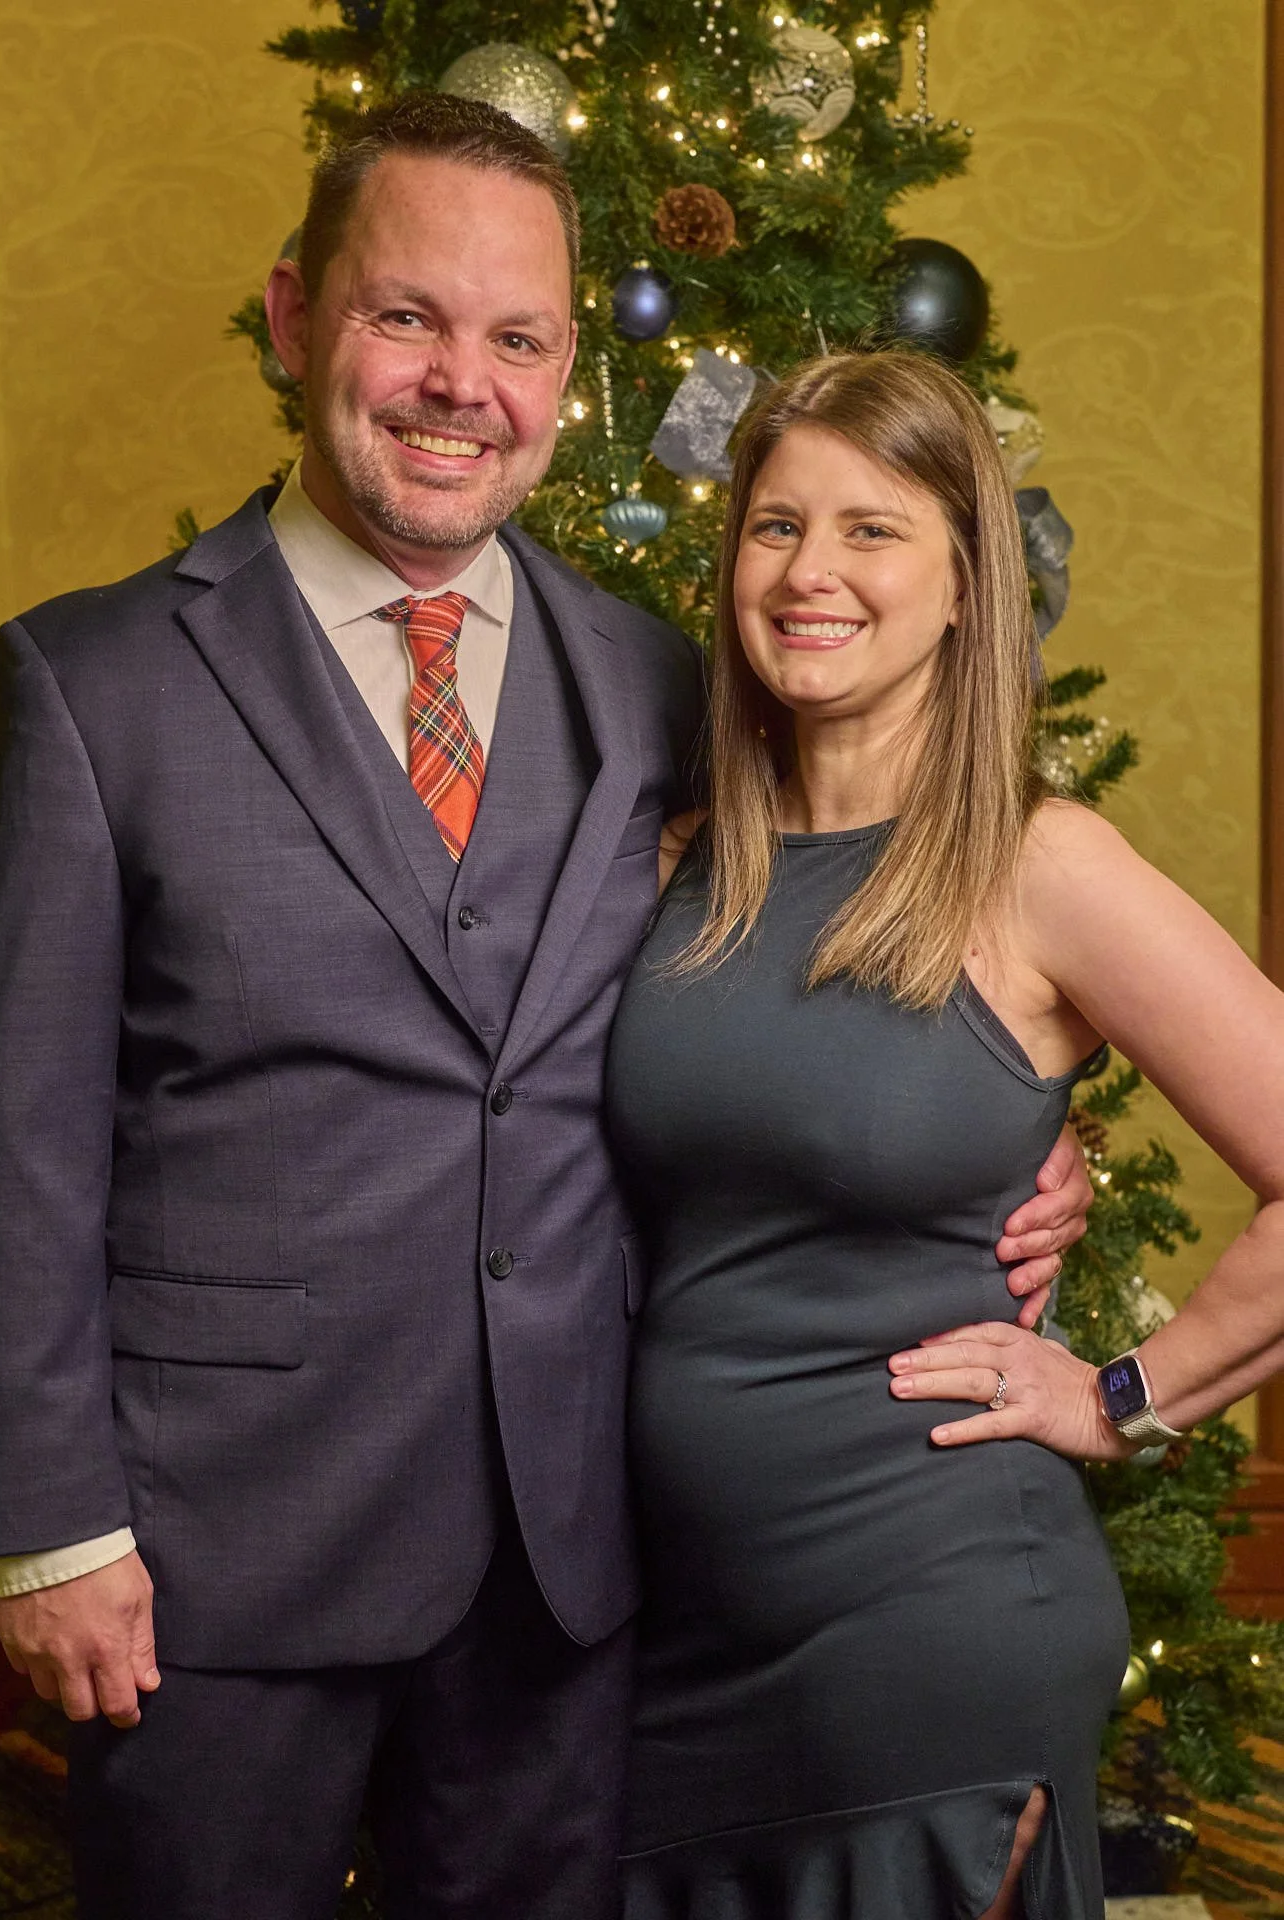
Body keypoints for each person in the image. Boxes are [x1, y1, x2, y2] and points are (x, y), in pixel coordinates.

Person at [0, 96, 1088, 1920]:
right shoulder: (96, 683)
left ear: (563, 373)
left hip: (570, 1553)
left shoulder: (654, 680)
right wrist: (51, 1532)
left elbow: (815, 970)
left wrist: (1021, 1126)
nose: (458, 385)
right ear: (295, 316)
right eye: (405, 317)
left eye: (519, 338)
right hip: (215, 1557)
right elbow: (13, 1143)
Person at [606, 346, 1284, 1920]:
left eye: (872, 530)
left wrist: (1120, 1399)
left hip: (925, 1634)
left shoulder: (1041, 867)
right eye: (775, 526)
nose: (810, 572)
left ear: (969, 581)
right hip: (666, 1645)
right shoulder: (674, 861)